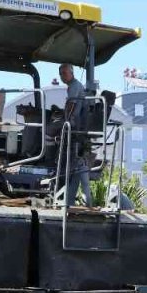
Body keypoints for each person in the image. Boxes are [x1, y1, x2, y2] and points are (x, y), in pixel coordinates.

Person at [59, 63, 93, 207]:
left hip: (75, 126)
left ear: (71, 73)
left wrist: (64, 120)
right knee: (79, 170)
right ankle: (79, 201)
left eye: (64, 73)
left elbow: (71, 105)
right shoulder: (74, 85)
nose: (62, 76)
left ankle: (49, 157)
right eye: (61, 74)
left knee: (49, 129)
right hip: (78, 127)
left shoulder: (74, 86)